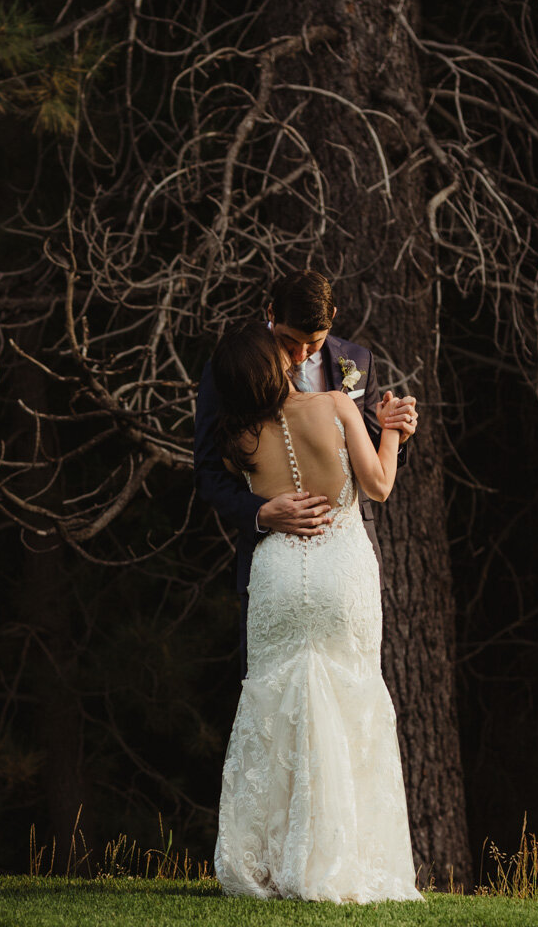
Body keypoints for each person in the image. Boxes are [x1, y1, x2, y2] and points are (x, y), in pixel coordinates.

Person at [208, 319, 423, 902]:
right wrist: (393, 433)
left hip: (278, 572)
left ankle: (272, 862)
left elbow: (231, 481)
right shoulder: (334, 404)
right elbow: (377, 486)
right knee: (348, 694)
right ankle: (341, 857)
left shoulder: (237, 436)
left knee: (278, 701)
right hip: (339, 566)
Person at [193, 270, 419, 667]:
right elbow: (210, 472)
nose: (299, 356)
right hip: (271, 555)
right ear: (270, 313)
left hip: (346, 555)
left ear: (332, 316)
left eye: (311, 344)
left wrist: (396, 433)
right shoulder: (229, 367)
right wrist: (260, 513)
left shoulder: (356, 360)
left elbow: (364, 447)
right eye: (288, 341)